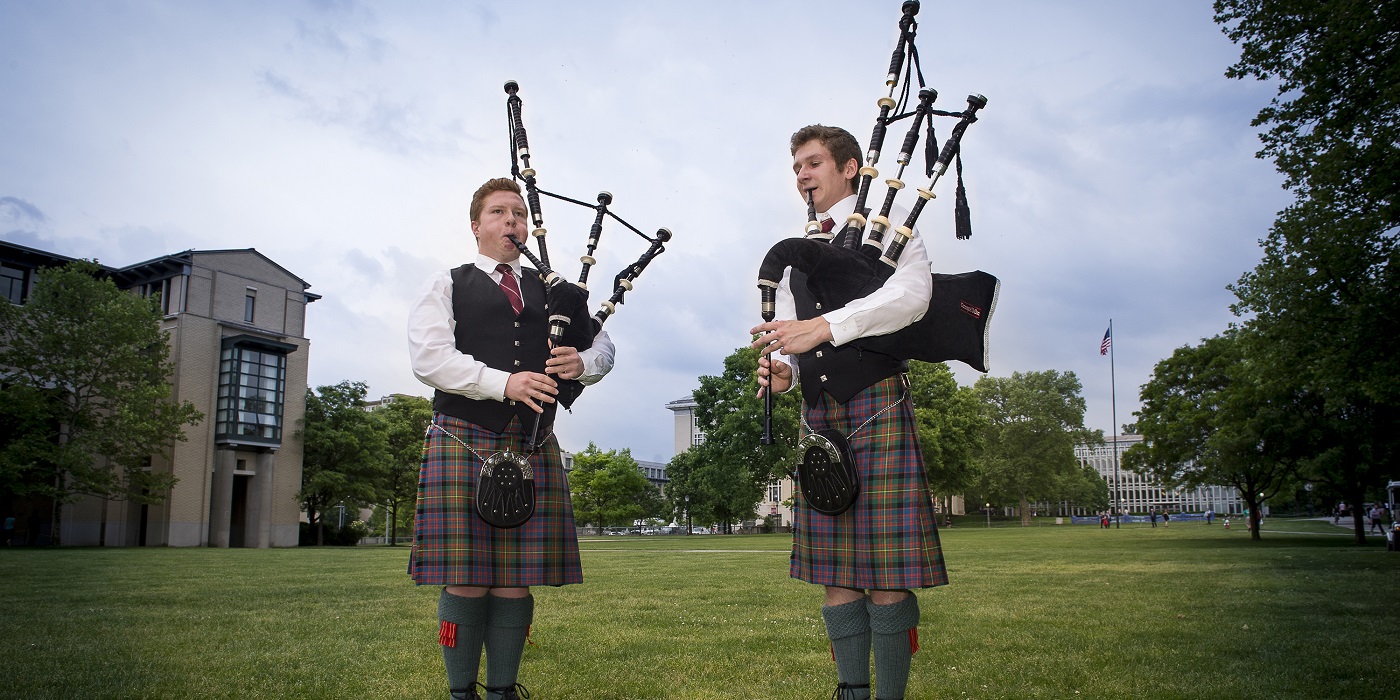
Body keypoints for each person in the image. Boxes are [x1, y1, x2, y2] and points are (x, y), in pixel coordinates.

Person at [752, 125, 943, 700]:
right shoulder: (792, 259)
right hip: (821, 422)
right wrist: (782, 374)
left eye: (812, 163)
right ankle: (851, 691)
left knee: (887, 579)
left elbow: (913, 297)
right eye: (796, 168)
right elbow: (789, 340)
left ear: (851, 167)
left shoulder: (891, 235)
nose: (802, 176)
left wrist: (829, 326)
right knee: (836, 576)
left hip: (878, 409)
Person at [407, 178, 616, 700]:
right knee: (466, 577)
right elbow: (428, 359)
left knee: (513, 579)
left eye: (519, 214)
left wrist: (581, 363)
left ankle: (502, 691)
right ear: (476, 226)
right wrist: (504, 383)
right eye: (499, 213)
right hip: (462, 438)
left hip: (529, 443)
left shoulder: (555, 291)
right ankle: (461, 692)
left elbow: (605, 347)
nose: (512, 223)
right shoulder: (448, 283)